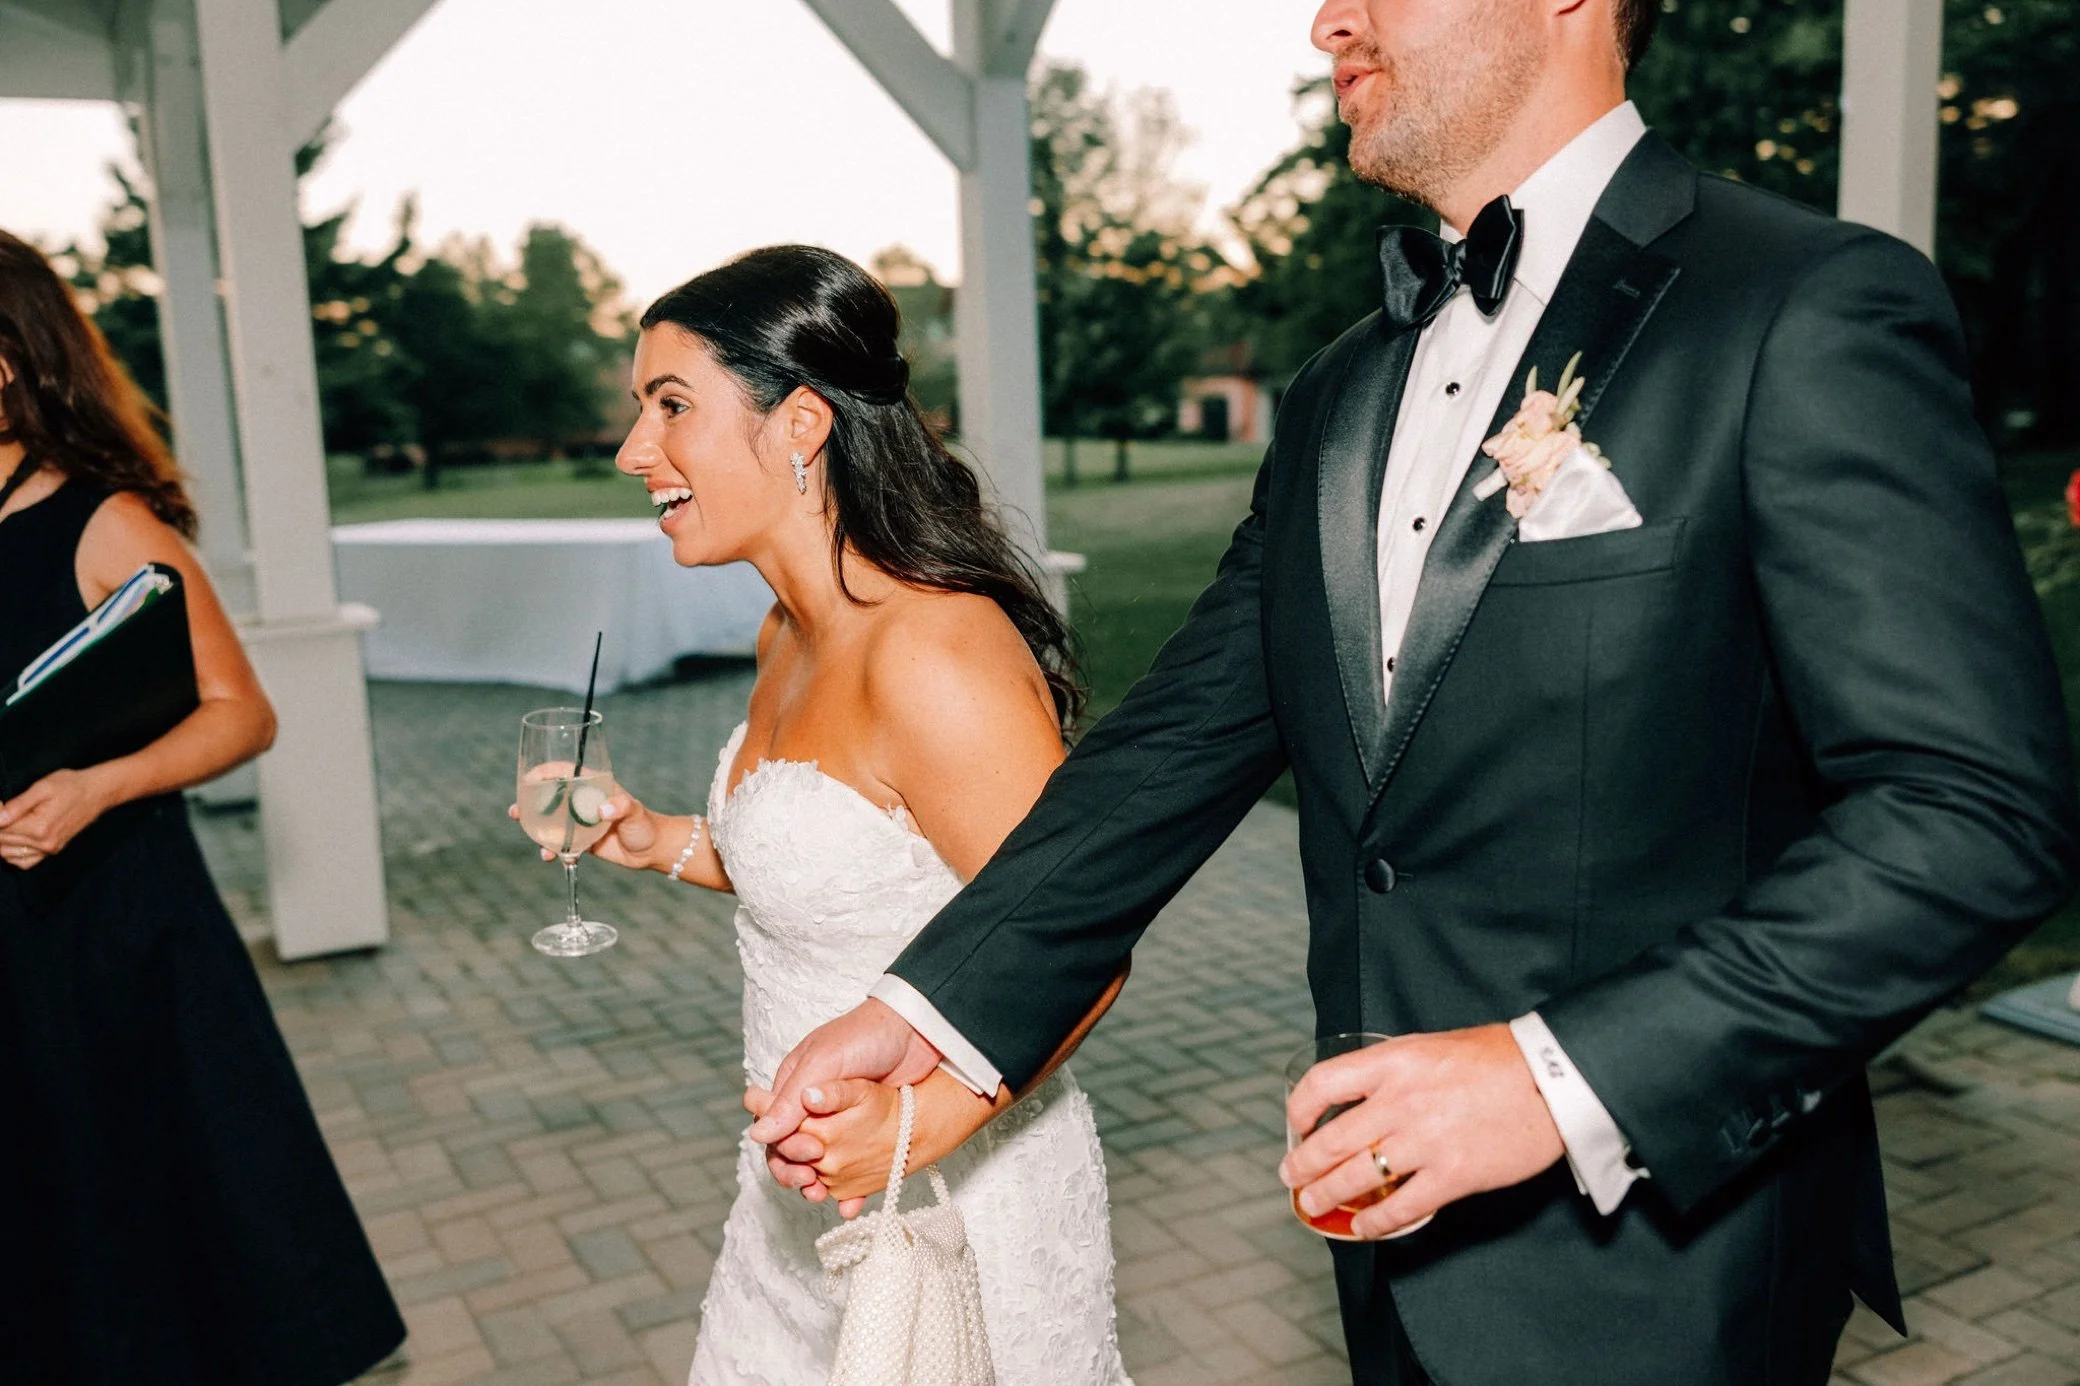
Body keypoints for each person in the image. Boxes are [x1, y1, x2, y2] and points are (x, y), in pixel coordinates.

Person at [746, 2, 2080, 1383]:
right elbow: (1175, 744)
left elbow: (1972, 812)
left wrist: (1560, 1077)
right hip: (1388, 1245)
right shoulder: (1336, 391)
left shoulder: (1801, 302)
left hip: (1673, 1268)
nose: (1329, 18)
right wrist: (937, 1010)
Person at [568, 244, 1131, 1384]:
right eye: (640, 411)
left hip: (955, 1204)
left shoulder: (933, 653)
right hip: (794, 1202)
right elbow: (835, 863)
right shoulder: (787, 630)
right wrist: (657, 837)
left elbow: (1074, 951)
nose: (636, 451)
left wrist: (917, 1126)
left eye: (671, 407)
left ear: (800, 424)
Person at [0, 229, 405, 1383]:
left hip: (103, 922)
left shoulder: (102, 523)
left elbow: (242, 712)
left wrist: (95, 786)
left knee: (134, 1213)